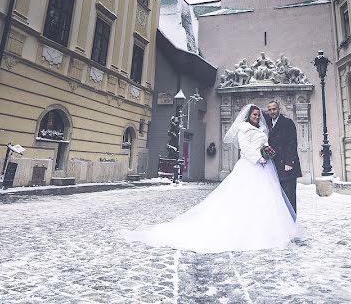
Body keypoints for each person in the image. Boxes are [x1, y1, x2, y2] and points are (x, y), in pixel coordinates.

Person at [122, 104, 302, 253]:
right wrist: (260, 158)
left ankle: (269, 229)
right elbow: (245, 149)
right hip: (252, 166)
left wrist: (267, 153)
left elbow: (267, 144)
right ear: (248, 116)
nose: (256, 117)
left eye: (258, 114)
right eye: (254, 114)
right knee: (246, 198)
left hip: (265, 169)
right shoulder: (244, 129)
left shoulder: (263, 129)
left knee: (267, 199)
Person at [266, 99, 302, 214]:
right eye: (270, 109)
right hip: (275, 166)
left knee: (289, 197)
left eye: (274, 109)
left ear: (279, 109)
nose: (272, 111)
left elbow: (292, 143)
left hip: (287, 166)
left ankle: (292, 222)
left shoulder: (287, 122)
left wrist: (289, 162)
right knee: (278, 198)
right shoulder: (267, 124)